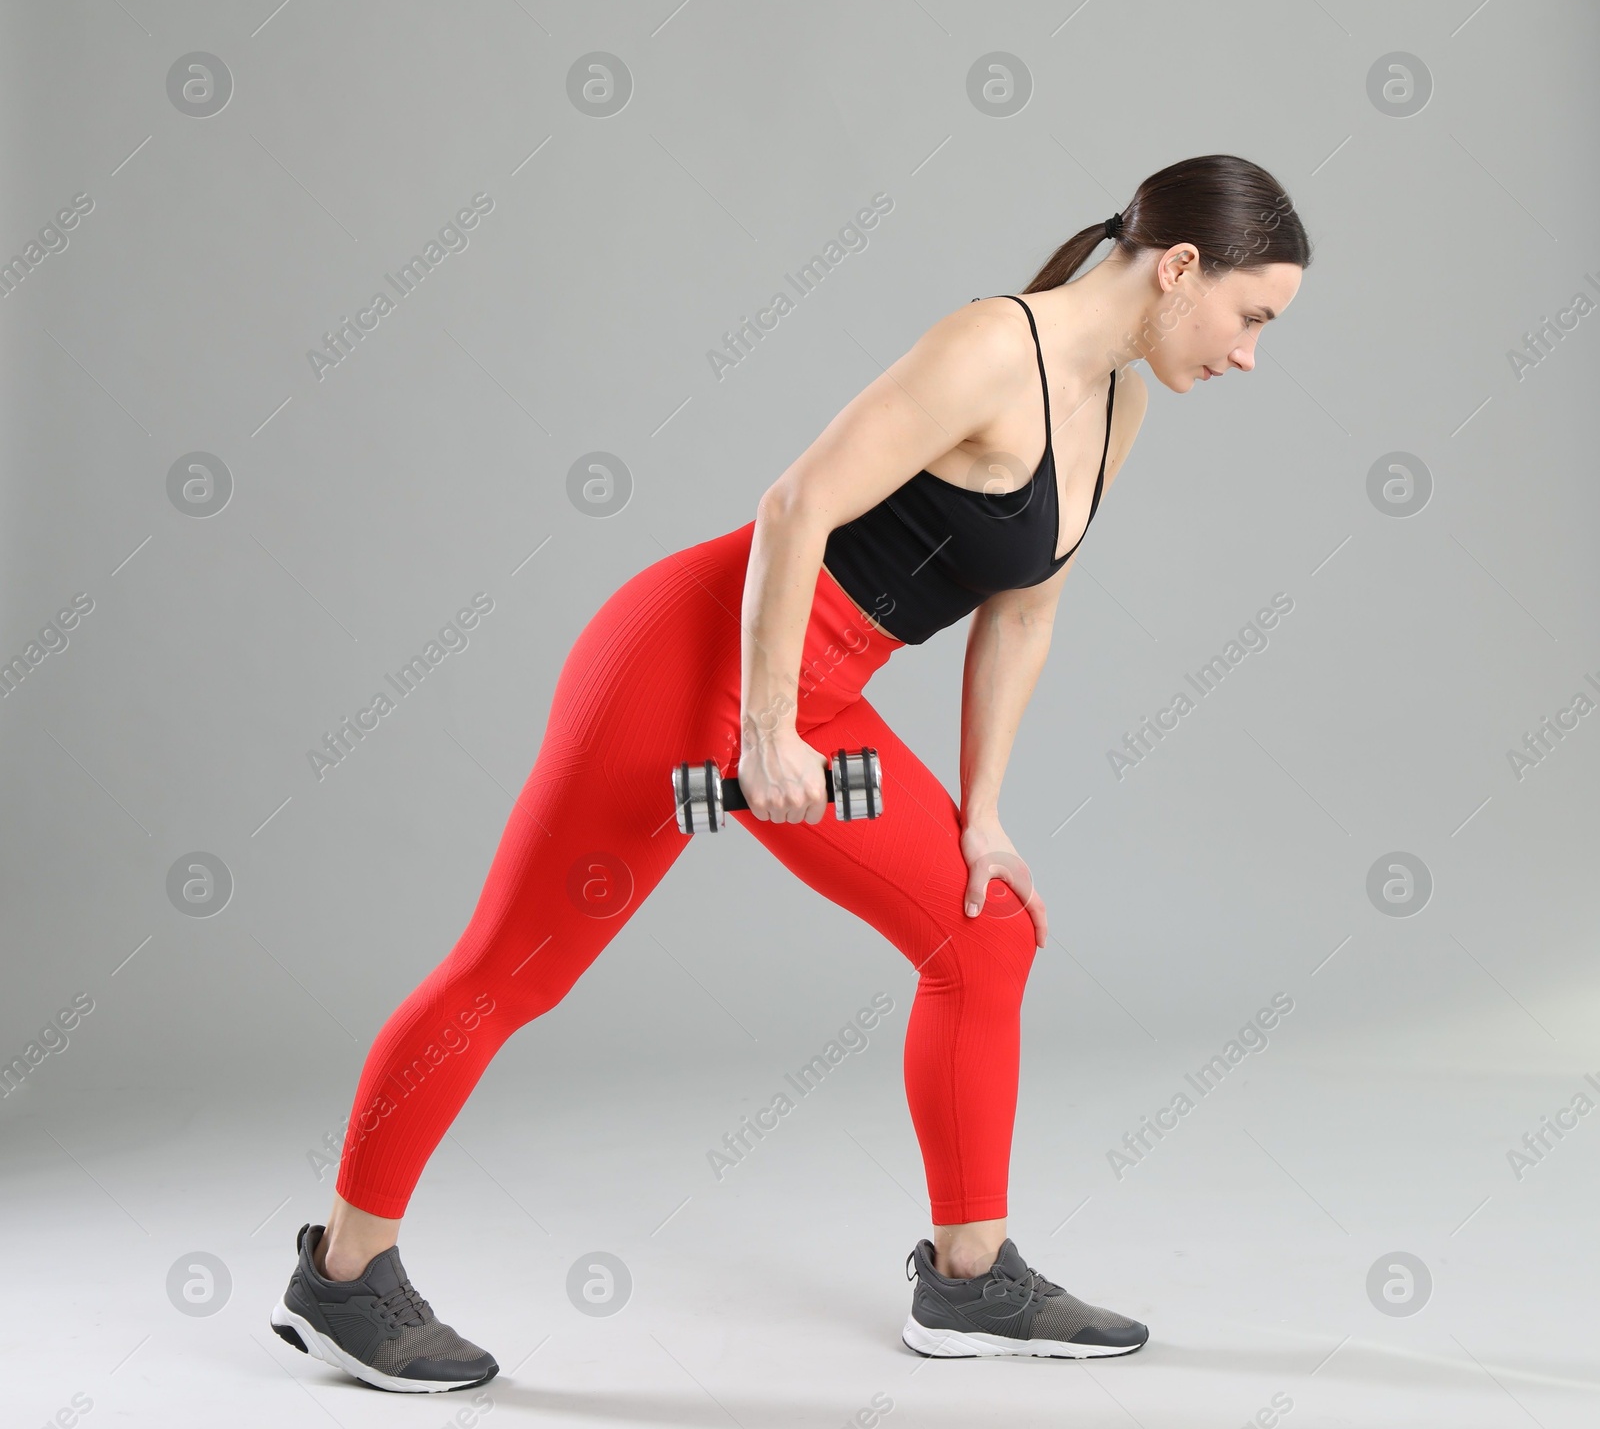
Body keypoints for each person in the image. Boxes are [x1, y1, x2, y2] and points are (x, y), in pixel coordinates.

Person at [270, 152, 1311, 1391]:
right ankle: (343, 1276)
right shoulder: (991, 348)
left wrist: (980, 818)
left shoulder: (1117, 405)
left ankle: (970, 1282)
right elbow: (795, 508)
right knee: (512, 970)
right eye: (1253, 317)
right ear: (1182, 266)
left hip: (816, 691)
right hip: (688, 656)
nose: (1250, 353)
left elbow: (1024, 612)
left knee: (987, 930)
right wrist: (765, 733)